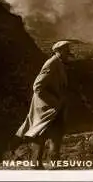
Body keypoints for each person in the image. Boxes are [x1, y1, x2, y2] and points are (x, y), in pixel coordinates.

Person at [15, 40, 73, 168]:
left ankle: (46, 164)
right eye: (65, 49)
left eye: (68, 49)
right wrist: (54, 101)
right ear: (57, 51)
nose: (68, 52)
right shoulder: (51, 64)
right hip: (47, 107)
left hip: (53, 107)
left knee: (52, 134)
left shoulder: (59, 63)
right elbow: (37, 86)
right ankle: (42, 164)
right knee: (44, 134)